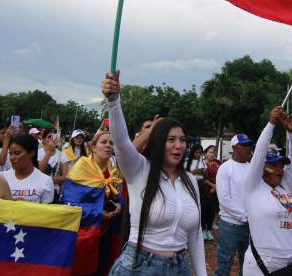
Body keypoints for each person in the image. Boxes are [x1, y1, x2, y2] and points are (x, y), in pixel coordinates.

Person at [102, 71, 207, 276]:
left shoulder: (190, 181)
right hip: (139, 267)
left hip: (179, 268)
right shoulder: (139, 170)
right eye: (171, 140)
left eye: (182, 140)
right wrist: (114, 102)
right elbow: (122, 144)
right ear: (158, 142)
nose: (178, 146)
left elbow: (195, 235)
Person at [243, 106, 292, 275]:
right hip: (262, 264)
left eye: (281, 166)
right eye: (273, 165)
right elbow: (259, 154)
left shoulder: (284, 187)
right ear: (262, 168)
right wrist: (271, 124)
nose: (279, 169)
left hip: (289, 263)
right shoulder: (253, 187)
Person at [61, 128, 124, 275]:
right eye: (104, 142)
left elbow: (118, 196)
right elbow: (68, 202)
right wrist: (97, 212)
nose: (108, 145)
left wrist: (120, 206)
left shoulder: (114, 171)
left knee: (102, 268)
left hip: (107, 232)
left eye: (111, 143)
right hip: (84, 233)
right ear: (93, 147)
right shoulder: (80, 168)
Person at [214, 133, 253, 275]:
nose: (247, 149)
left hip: (250, 225)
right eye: (244, 146)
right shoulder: (225, 168)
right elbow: (224, 199)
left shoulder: (251, 168)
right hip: (230, 225)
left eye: (249, 145)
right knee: (224, 264)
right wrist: (244, 216)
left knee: (248, 265)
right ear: (234, 147)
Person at [2, 135, 54, 203]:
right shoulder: (2, 178)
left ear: (31, 153)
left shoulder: (46, 181)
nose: (11, 158)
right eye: (10, 154)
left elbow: (47, 212)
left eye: (17, 153)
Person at [201, 145, 219, 241]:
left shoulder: (216, 165)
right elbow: (201, 178)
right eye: (210, 152)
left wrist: (215, 187)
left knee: (212, 211)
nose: (212, 154)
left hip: (214, 192)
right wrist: (212, 185)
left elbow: (220, 177)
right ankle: (203, 230)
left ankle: (209, 230)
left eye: (213, 153)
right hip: (203, 191)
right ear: (205, 153)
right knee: (204, 211)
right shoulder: (201, 164)